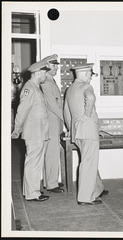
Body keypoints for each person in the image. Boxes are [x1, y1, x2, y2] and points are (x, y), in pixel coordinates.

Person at [63, 63, 108, 205]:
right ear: (85, 73)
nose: (90, 76)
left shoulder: (70, 89)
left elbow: (66, 112)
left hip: (77, 131)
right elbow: (90, 99)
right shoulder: (86, 87)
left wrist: (72, 129)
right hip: (87, 129)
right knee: (88, 163)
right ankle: (85, 198)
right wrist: (87, 117)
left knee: (88, 160)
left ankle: (97, 188)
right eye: (90, 73)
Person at [11, 60, 51, 202]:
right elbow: (22, 111)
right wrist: (17, 129)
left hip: (39, 132)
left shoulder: (35, 87)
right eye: (45, 73)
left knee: (34, 163)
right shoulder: (29, 88)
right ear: (38, 73)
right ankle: (32, 193)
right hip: (34, 132)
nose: (46, 76)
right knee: (33, 163)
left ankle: (31, 190)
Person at [40, 54, 64, 193]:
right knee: (51, 153)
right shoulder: (46, 83)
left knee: (52, 152)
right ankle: (51, 184)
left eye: (56, 65)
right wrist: (66, 119)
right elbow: (53, 106)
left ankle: (51, 181)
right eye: (54, 65)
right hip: (51, 122)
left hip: (55, 122)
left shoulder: (51, 81)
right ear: (46, 66)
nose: (56, 68)